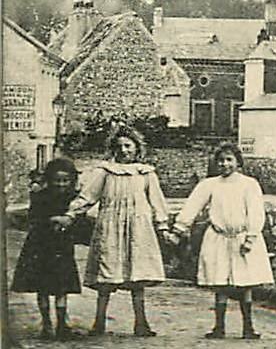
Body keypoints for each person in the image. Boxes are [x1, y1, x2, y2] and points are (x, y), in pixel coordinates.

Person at [62, 126, 173, 337]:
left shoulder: (146, 173)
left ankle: (141, 323)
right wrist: (71, 214)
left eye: (128, 146)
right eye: (119, 146)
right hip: (110, 227)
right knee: (106, 275)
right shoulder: (105, 171)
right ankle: (99, 323)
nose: (123, 150)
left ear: (137, 148)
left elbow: (157, 203)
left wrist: (163, 227)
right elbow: (88, 196)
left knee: (137, 277)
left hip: (138, 230)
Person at [175, 144, 273, 340]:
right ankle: (219, 327)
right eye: (221, 160)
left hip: (242, 238)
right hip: (218, 238)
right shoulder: (209, 184)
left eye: (229, 159)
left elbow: (255, 211)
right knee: (220, 283)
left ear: (238, 162)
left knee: (245, 284)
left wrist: (251, 237)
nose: (224, 164)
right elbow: (192, 205)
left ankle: (248, 328)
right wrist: (180, 227)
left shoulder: (249, 184)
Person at [13, 158, 85, 338]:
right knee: (42, 286)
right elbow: (33, 217)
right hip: (40, 245)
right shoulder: (40, 196)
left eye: (65, 180)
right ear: (49, 179)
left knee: (61, 287)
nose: (61, 184)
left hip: (62, 247)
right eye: (56, 180)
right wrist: (52, 220)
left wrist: (69, 222)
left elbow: (79, 219)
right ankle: (46, 324)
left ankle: (61, 324)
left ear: (71, 180)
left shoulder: (73, 198)